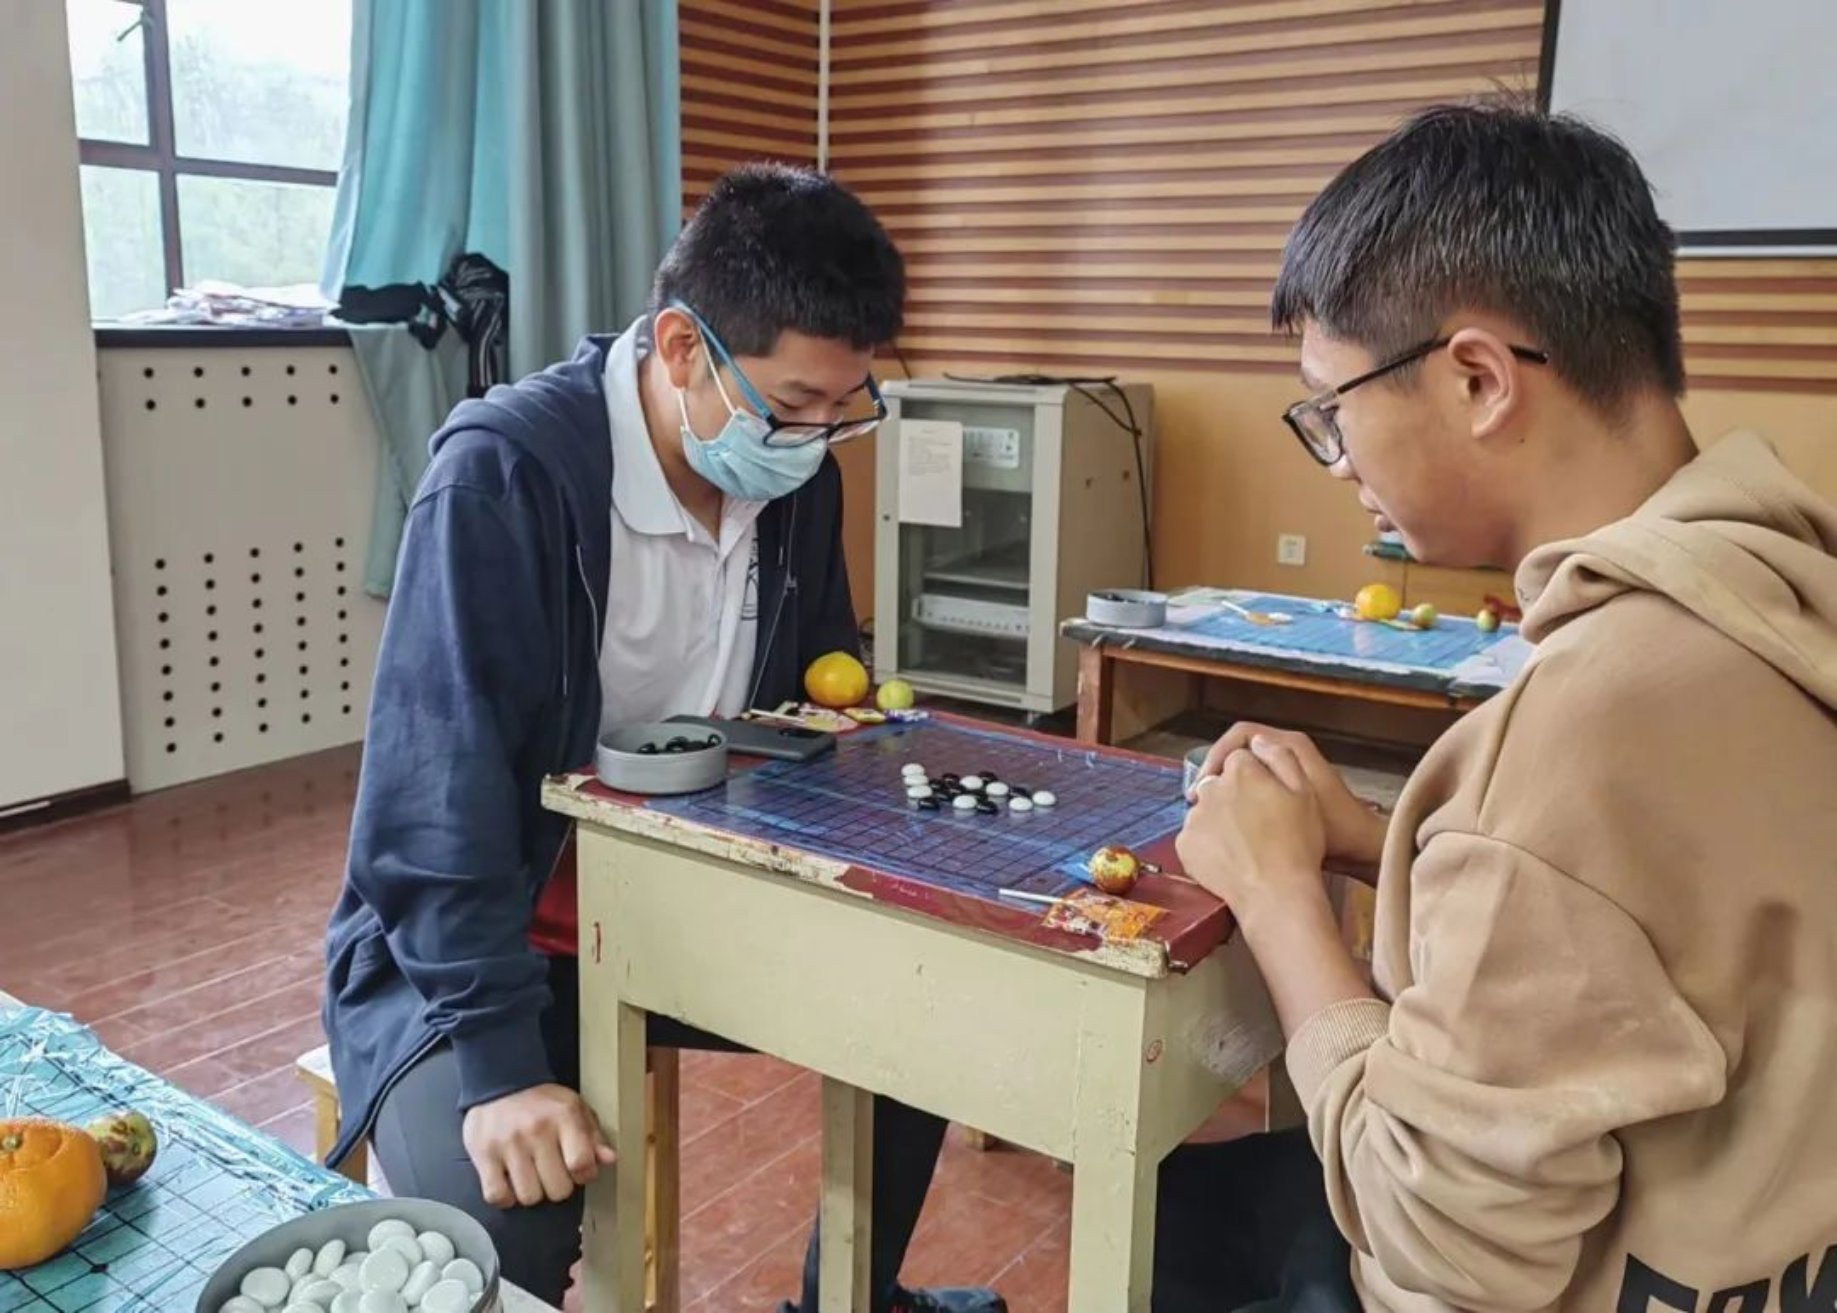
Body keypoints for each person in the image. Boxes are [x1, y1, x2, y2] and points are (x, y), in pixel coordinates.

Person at [1157, 102, 1837, 1311]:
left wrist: (1275, 892)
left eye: (1331, 407)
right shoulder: (1778, 594)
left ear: (1476, 378)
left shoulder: (1590, 716)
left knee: (1167, 1223)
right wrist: (1392, 840)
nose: (1338, 459)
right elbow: (1648, 911)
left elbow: (1441, 1241)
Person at [322, 164, 1005, 1313]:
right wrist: (498, 1065)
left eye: (843, 407)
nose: (815, 439)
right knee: (498, 1224)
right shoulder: (504, 474)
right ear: (683, 347)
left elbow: (807, 708)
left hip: (689, 903)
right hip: (489, 945)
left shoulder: (794, 477)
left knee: (937, 996)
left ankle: (848, 1298)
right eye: (793, 404)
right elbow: (432, 801)